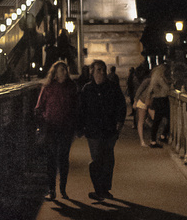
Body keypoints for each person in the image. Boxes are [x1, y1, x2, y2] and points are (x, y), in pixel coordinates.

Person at [78, 59, 127, 201]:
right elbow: (82, 110)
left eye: (103, 69)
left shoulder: (112, 87)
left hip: (109, 130)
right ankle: (99, 189)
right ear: (92, 71)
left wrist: (119, 122)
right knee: (96, 161)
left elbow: (121, 105)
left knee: (108, 160)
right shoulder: (87, 89)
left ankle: (105, 189)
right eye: (98, 69)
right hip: (93, 131)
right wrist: (81, 127)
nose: (101, 72)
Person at [34, 60, 79, 200]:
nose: (65, 72)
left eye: (65, 70)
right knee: (51, 159)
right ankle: (52, 189)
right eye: (62, 70)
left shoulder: (71, 86)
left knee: (63, 158)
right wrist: (43, 120)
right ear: (55, 73)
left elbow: (76, 106)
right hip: (51, 127)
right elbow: (39, 107)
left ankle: (62, 188)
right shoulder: (48, 87)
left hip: (66, 127)